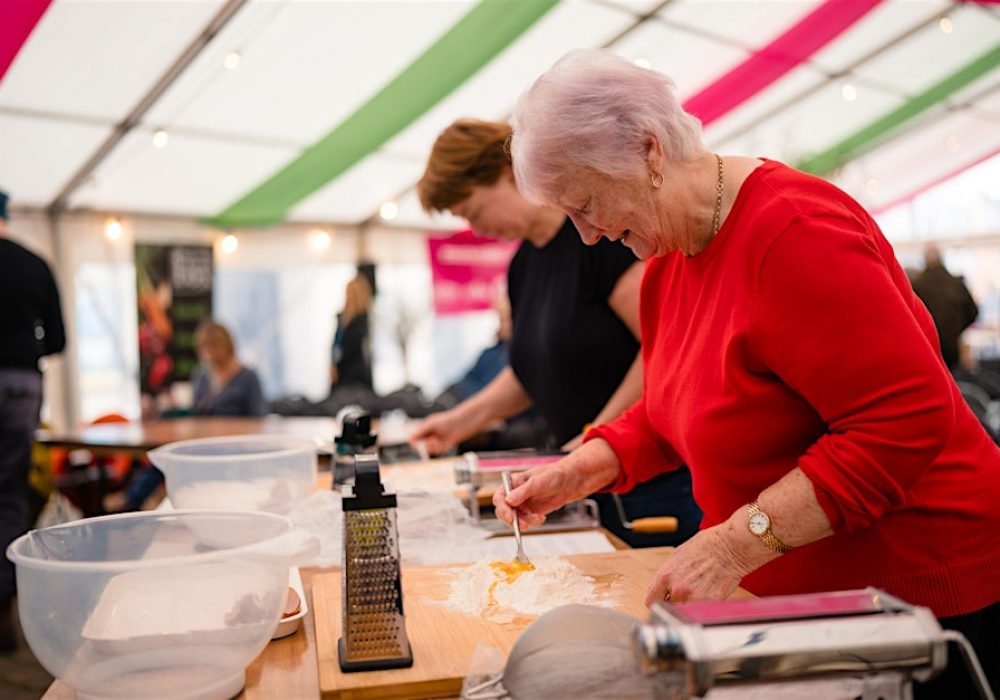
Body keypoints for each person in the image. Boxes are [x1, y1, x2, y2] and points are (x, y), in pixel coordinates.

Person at [494, 49, 1000, 697]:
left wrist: (737, 543)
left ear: (649, 151)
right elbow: (673, 408)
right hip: (802, 601)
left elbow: (903, 420)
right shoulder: (668, 260)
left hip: (916, 600)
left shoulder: (795, 230)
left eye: (587, 204)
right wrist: (584, 466)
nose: (586, 236)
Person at [412, 118, 701, 548]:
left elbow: (663, 343)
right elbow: (534, 370)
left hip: (648, 483)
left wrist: (598, 439)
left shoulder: (602, 236)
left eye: (474, 211)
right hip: (584, 480)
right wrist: (458, 422)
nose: (479, 229)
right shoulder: (523, 267)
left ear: (508, 175)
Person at [0, 189, 65, 652]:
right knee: (10, 493)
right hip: (21, 384)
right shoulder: (33, 264)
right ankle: (4, 606)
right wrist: (22, 350)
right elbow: (57, 339)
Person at [911, 244, 979, 370]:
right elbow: (973, 312)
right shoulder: (956, 284)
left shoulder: (916, 286)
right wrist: (957, 329)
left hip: (929, 348)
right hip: (954, 348)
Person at [191, 319, 267, 417]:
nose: (210, 353)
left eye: (214, 346)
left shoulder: (248, 377)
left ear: (227, 345)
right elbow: (195, 413)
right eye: (205, 348)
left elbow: (259, 415)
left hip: (240, 431)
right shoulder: (201, 377)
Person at [330, 275, 373, 392]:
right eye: (347, 292)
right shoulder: (341, 318)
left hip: (354, 375)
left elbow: (351, 347)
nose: (349, 296)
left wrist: (338, 362)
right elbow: (335, 345)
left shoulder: (361, 321)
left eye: (352, 292)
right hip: (339, 373)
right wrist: (332, 365)